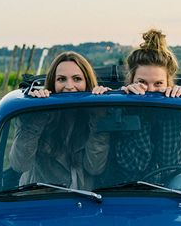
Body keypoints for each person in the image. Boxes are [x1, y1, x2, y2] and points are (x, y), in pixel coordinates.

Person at [106, 29, 181, 185]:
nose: (150, 89)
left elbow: (171, 163)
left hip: (171, 195)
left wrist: (171, 109)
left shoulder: (180, 110)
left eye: (158, 83)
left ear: (168, 83)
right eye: (142, 82)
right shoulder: (118, 109)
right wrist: (134, 110)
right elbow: (136, 163)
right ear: (131, 80)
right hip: (126, 192)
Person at [9, 52, 110, 190]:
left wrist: (99, 113)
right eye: (61, 79)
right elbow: (19, 164)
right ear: (52, 83)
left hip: (87, 201)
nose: (69, 86)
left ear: (87, 82)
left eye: (77, 79)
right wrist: (37, 113)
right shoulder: (35, 114)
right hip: (41, 200)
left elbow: (95, 167)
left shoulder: (94, 117)